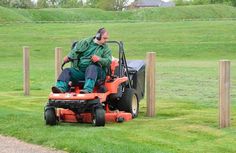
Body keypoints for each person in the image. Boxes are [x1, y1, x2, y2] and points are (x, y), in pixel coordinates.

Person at [52, 28, 112, 94]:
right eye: (104, 38)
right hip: (81, 71)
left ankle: (87, 90)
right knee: (67, 71)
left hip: (98, 72)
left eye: (107, 38)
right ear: (98, 36)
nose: (106, 40)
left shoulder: (106, 48)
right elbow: (75, 50)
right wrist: (69, 57)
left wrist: (99, 59)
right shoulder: (85, 42)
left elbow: (108, 61)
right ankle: (60, 89)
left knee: (91, 68)